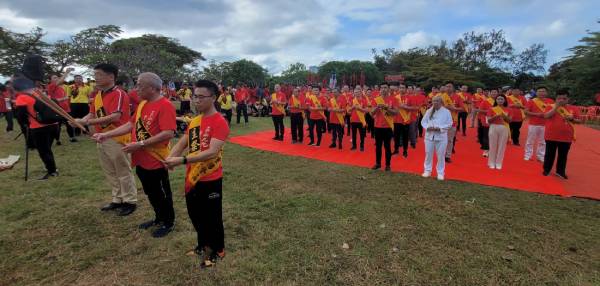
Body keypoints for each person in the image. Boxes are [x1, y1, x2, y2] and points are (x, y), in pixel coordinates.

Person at [92, 72, 177, 237]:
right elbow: (130, 124)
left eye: (139, 85)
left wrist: (140, 144)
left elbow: (168, 133)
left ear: (152, 88)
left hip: (156, 159)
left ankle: (168, 222)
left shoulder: (165, 105)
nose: (136, 89)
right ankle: (158, 218)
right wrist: (106, 135)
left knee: (161, 192)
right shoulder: (143, 104)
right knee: (150, 192)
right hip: (140, 158)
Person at [163, 79, 229, 269]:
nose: (195, 100)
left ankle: (218, 249)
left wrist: (181, 160)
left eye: (200, 97)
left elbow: (212, 152)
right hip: (192, 177)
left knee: (212, 217)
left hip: (210, 178)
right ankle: (202, 245)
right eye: (194, 96)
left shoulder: (220, 122)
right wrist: (170, 157)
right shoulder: (195, 121)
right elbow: (182, 143)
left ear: (213, 98)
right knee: (195, 214)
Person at [74, 63, 137, 216]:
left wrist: (87, 122)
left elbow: (116, 116)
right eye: (95, 74)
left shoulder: (119, 94)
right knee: (109, 170)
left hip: (117, 136)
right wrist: (79, 120)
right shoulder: (97, 96)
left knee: (122, 170)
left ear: (111, 77)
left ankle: (130, 201)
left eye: (99, 75)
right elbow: (92, 115)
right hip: (101, 137)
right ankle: (117, 199)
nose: (95, 78)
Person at [14, 76, 59, 180]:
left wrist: (25, 125)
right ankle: (51, 167)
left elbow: (21, 116)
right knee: (47, 148)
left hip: (38, 127)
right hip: (53, 124)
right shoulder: (39, 92)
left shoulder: (22, 97)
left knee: (44, 150)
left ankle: (52, 171)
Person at [542, 90, 581, 179]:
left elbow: (579, 121)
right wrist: (556, 107)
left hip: (566, 137)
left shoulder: (574, 108)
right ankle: (546, 170)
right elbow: (546, 116)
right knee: (549, 154)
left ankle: (560, 172)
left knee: (563, 155)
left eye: (564, 98)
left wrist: (572, 119)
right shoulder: (550, 106)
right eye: (559, 98)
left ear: (568, 99)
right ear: (556, 99)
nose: (561, 100)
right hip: (551, 135)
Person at [421, 95, 453, 180]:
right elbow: (423, 122)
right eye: (434, 101)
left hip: (441, 137)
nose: (435, 102)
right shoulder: (428, 111)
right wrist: (428, 127)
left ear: (441, 102)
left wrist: (440, 128)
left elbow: (450, 123)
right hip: (429, 136)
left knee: (441, 155)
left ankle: (440, 173)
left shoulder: (446, 112)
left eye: (437, 101)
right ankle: (427, 170)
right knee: (428, 154)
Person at [370, 83, 398, 171]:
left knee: (387, 146)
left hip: (388, 126)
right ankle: (378, 163)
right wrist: (377, 108)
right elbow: (371, 113)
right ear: (380, 89)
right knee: (378, 146)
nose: (383, 89)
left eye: (385, 87)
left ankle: (388, 165)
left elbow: (396, 112)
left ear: (388, 89)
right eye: (381, 88)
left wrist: (386, 108)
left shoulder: (393, 99)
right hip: (377, 126)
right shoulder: (376, 100)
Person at [524, 87, 554, 162]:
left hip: (546, 124)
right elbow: (526, 112)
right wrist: (536, 114)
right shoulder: (531, 101)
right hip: (533, 124)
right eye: (539, 91)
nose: (541, 93)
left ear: (546, 93)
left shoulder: (551, 101)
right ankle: (528, 155)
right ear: (536, 93)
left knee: (543, 142)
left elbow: (553, 112)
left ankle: (540, 156)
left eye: (543, 91)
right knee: (530, 141)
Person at [47, 68, 74, 145]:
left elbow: (65, 98)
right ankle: (57, 140)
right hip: (57, 109)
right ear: (50, 80)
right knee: (57, 125)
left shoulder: (61, 88)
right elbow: (53, 100)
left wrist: (67, 101)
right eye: (54, 78)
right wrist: (67, 72)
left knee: (69, 123)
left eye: (57, 77)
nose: (57, 78)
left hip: (66, 109)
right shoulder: (51, 86)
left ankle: (72, 137)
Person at [486, 94, 511, 169]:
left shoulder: (509, 109)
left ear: (505, 100)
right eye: (498, 99)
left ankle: (499, 163)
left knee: (502, 146)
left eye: (502, 99)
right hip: (493, 127)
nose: (500, 101)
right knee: (493, 145)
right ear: (496, 100)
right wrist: (495, 116)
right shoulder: (491, 109)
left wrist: (504, 116)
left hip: (504, 128)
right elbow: (489, 121)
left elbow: (509, 120)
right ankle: (491, 163)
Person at [442, 84, 464, 163]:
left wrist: (454, 108)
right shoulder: (441, 96)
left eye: (450, 86)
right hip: (441, 121)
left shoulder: (457, 97)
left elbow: (462, 108)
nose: (448, 88)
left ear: (453, 88)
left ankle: (447, 156)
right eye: (446, 86)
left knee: (450, 140)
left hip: (452, 121)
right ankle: (440, 154)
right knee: (441, 139)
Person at [68, 75, 93, 141]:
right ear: (74, 80)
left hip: (84, 103)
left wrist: (90, 103)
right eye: (77, 78)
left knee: (85, 117)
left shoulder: (87, 87)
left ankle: (86, 131)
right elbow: (69, 96)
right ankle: (77, 132)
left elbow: (89, 96)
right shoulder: (70, 87)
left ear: (82, 79)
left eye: (80, 78)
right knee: (75, 118)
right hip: (74, 104)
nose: (78, 80)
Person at [349, 87, 368, 151]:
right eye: (355, 92)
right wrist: (352, 108)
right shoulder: (352, 101)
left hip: (361, 120)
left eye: (358, 92)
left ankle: (362, 146)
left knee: (362, 134)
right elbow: (348, 111)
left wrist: (360, 109)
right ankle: (354, 146)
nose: (357, 94)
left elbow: (367, 110)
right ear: (354, 93)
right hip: (353, 120)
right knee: (354, 134)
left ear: (360, 93)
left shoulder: (364, 100)